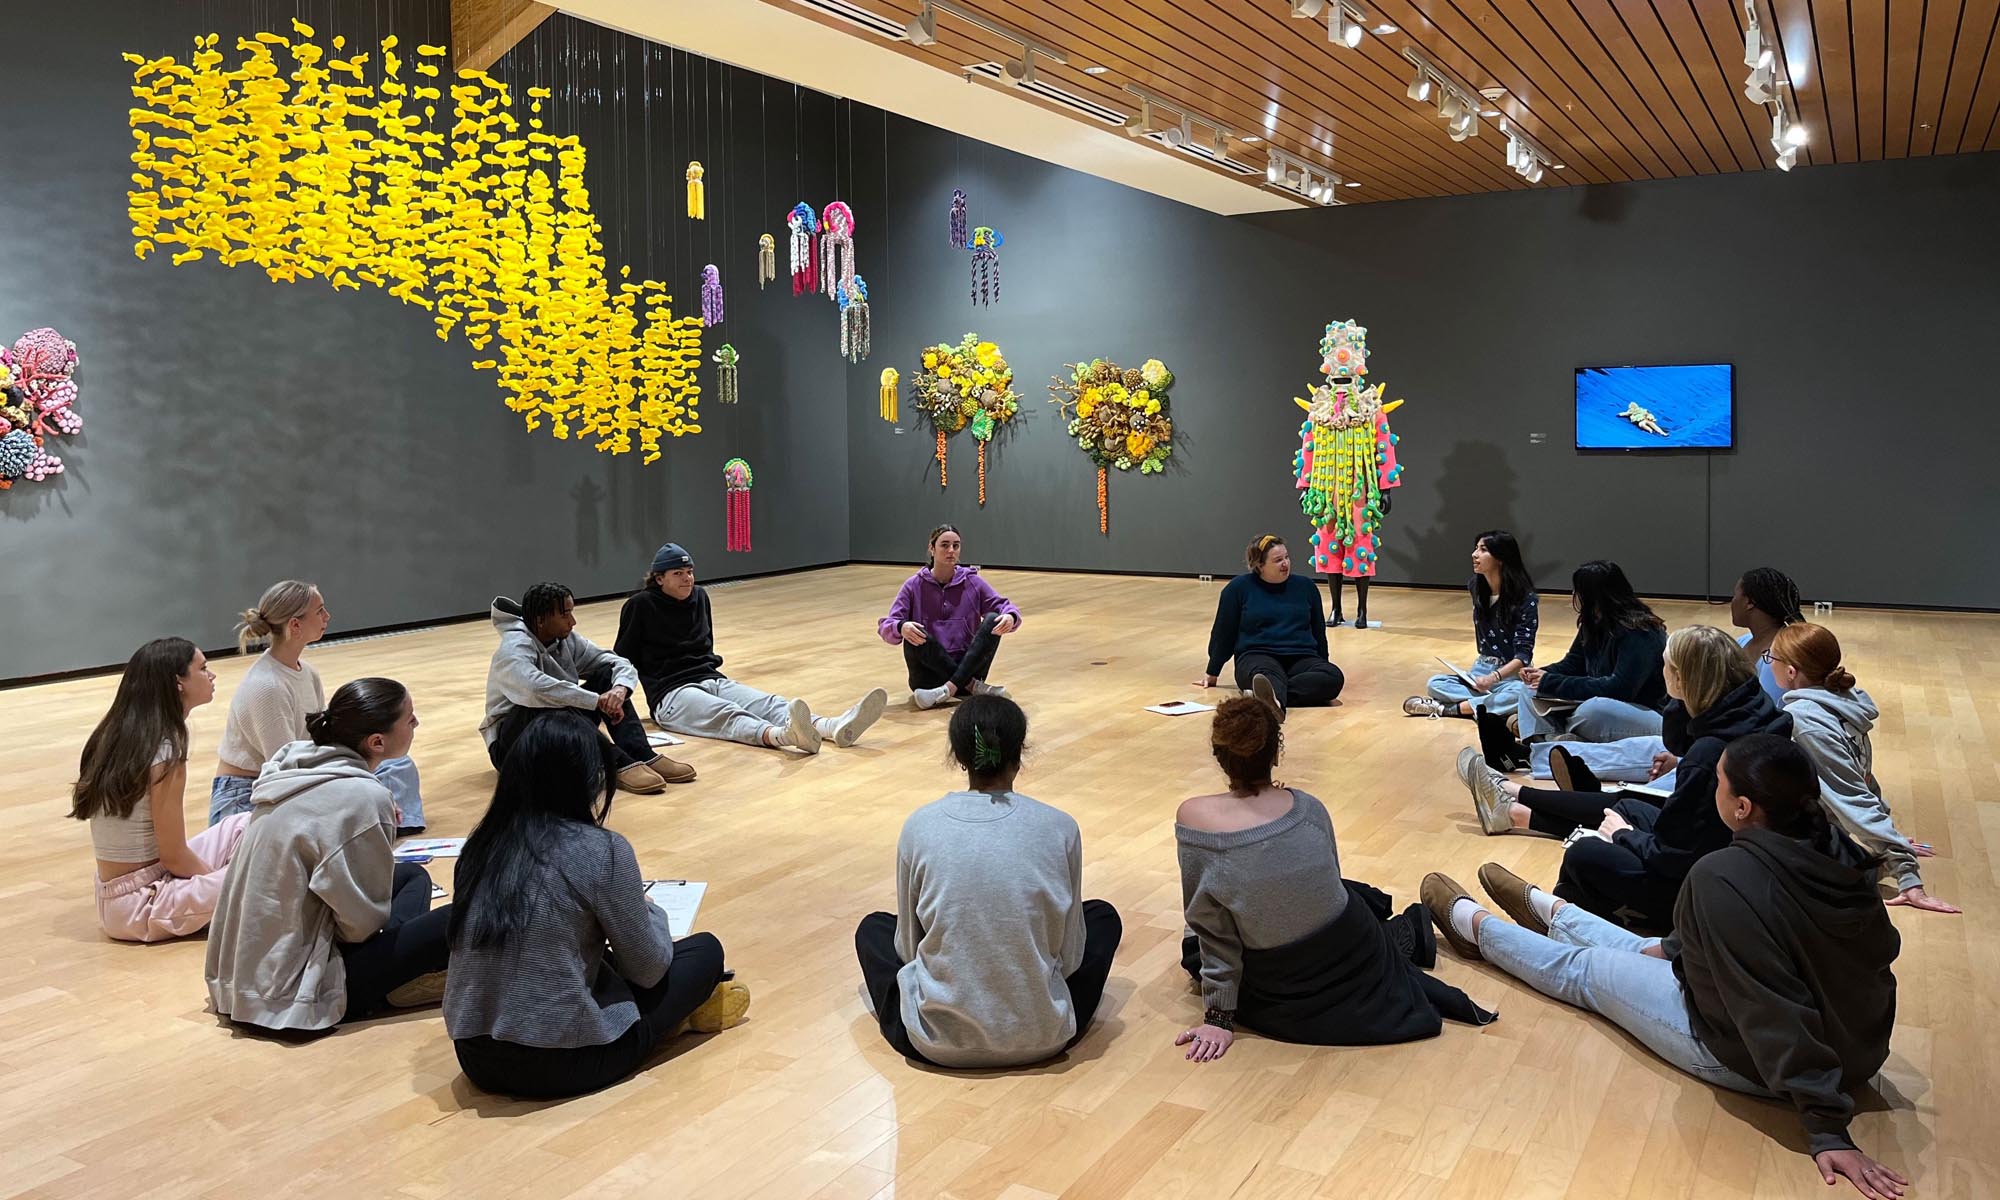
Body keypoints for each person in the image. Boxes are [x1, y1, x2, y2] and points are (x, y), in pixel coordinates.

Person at [1424, 734, 1906, 1200]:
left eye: (1717, 782)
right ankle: (1554, 914)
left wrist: (1827, 1128)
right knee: (1650, 948)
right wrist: (1678, 950)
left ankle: (1479, 932)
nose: (1709, 788)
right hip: (1856, 1049)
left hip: (1760, 1062)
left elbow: (1774, 1008)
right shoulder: (1842, 855)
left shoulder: (1723, 876)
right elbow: (1824, 952)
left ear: (1742, 808)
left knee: (1589, 969)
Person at [446, 711, 751, 1099]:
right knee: (705, 951)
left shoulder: (480, 845)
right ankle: (676, 1020)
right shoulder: (601, 849)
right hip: (564, 1062)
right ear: (592, 780)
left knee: (590, 958)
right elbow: (648, 969)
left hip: (474, 1057)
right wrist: (646, 907)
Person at [1173, 698, 1493, 1063]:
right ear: (1276, 753)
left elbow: (1215, 933)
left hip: (1285, 980)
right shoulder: (1308, 806)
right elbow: (1326, 887)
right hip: (1353, 943)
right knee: (1348, 891)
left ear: (1219, 756)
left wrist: (1219, 1017)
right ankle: (1403, 931)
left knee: (1193, 945)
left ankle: (1405, 933)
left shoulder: (1194, 818)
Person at [1461, 625, 1790, 930]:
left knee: (1583, 853)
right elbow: (1680, 745)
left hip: (1703, 886)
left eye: (1666, 668)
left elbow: (1673, 857)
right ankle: (1560, 899)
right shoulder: (1755, 709)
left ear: (1680, 678)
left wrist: (1625, 836)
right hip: (1731, 862)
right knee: (1628, 806)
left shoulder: (1709, 755)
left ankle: (1567, 919)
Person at [853, 695, 1121, 1067]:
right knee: (1102, 917)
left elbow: (909, 948)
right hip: (1045, 1038)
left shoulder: (920, 825)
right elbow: (1071, 955)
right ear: (1020, 752)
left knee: (874, 929)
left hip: (935, 1043)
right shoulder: (1061, 826)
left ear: (959, 757)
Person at [205, 678, 452, 1031]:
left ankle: (397, 977)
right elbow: (359, 927)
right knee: (456, 917)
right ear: (377, 742)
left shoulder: (293, 768)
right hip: (292, 996)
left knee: (413, 876)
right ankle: (391, 986)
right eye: (410, 719)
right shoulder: (363, 797)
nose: (417, 724)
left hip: (238, 980)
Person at [617, 542, 886, 754]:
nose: (687, 579)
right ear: (659, 578)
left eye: (689, 572)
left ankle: (831, 726)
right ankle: (783, 736)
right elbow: (622, 659)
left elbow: (704, 645)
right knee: (727, 714)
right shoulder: (640, 605)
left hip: (710, 678)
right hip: (671, 695)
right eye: (678, 573)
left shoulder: (699, 596)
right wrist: (616, 703)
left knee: (768, 702)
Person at [69, 638, 251, 942]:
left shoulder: (114, 735)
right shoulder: (165, 753)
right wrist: (218, 886)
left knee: (243, 824)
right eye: (203, 669)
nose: (212, 675)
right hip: (141, 903)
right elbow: (174, 857)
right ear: (177, 683)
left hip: (121, 892)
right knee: (259, 877)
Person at [209, 580, 426, 834]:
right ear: (295, 625)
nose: (327, 616)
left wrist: (359, 765)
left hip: (300, 771)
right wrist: (348, 784)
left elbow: (321, 739)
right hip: (249, 791)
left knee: (395, 761)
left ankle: (391, 826)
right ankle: (371, 826)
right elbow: (285, 770)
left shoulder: (307, 672)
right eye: (320, 611)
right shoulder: (267, 686)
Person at [1772, 622, 1958, 914]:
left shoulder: (1805, 722)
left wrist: (1904, 869)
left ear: (1791, 671)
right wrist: (1893, 838)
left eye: (1772, 660)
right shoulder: (1844, 702)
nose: (1769, 665)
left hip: (1816, 844)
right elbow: (1863, 779)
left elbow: (1852, 796)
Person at [480, 582, 694, 792]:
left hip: (559, 724)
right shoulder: (513, 648)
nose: (572, 621)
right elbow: (533, 690)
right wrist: (594, 700)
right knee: (549, 703)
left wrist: (619, 690)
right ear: (540, 620)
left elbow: (615, 662)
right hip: (513, 746)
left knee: (607, 676)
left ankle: (640, 752)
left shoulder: (566, 639)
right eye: (564, 615)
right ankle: (614, 762)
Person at [1514, 560, 1667, 743]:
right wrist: (1542, 673)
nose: (1574, 595)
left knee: (1592, 710)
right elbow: (1573, 663)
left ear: (1593, 595)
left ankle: (1549, 740)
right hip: (1601, 703)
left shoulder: (1640, 631)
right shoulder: (1593, 622)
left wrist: (1551, 681)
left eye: (1578, 590)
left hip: (1643, 712)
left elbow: (1620, 689)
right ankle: (1556, 744)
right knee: (1528, 690)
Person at [1196, 534, 1345, 722]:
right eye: (1277, 560)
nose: (1285, 563)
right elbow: (1224, 633)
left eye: (1286, 557)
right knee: (1266, 676)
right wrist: (1212, 671)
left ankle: (1268, 696)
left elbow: (1318, 633)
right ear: (1259, 565)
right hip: (1256, 656)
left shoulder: (1306, 587)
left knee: (1333, 677)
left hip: (1301, 658)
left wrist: (1322, 664)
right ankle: (1273, 703)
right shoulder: (1238, 589)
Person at [878, 525, 1021, 711]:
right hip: (928, 677)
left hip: (968, 666)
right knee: (913, 631)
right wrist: (900, 627)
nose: (951, 551)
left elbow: (1004, 606)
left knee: (994, 618)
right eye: (945, 545)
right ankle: (969, 686)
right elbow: (886, 625)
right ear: (932, 548)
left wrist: (1010, 616)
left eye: (956, 545)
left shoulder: (973, 582)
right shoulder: (913, 585)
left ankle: (949, 689)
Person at [1405, 530, 1539, 719]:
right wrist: (1484, 678)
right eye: (1476, 548)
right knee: (1434, 683)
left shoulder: (1526, 598)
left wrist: (1494, 677)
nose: (1474, 554)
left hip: (1509, 674)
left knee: (1521, 693)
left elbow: (1523, 656)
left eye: (1483, 550)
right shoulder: (1476, 587)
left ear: (1500, 558)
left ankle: (1446, 709)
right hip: (1481, 668)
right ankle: (1488, 705)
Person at [1732, 567, 1804, 705]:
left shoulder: (1779, 658)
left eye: (1734, 595)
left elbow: (1771, 716)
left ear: (1749, 602)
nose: (1732, 602)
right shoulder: (1742, 641)